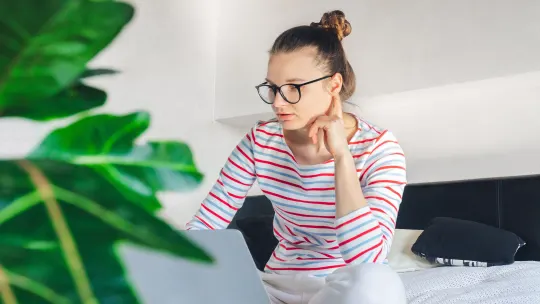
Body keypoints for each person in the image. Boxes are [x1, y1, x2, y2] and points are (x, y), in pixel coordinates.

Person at [186, 10, 407, 304]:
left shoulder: (379, 149)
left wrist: (341, 157)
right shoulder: (260, 141)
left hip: (339, 289)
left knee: (379, 285)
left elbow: (367, 259)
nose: (278, 102)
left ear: (334, 84)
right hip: (274, 285)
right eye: (274, 88)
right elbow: (206, 226)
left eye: (294, 88)